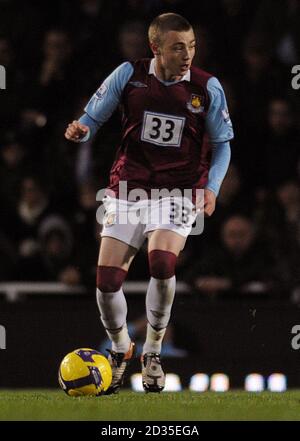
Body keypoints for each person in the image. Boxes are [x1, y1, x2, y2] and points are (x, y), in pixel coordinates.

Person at [65, 13, 233, 393]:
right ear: (155, 48)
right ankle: (122, 347)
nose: (187, 54)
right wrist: (82, 127)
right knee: (107, 282)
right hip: (129, 187)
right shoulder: (129, 75)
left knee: (161, 262)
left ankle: (153, 352)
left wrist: (212, 188)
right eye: (178, 47)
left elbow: (222, 144)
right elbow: (95, 114)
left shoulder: (207, 87)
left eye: (191, 46)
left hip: (178, 189)